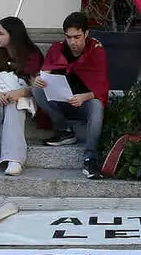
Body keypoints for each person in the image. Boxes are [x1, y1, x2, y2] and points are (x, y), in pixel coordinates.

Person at [33, 11, 109, 180]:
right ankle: (65, 130)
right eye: (68, 37)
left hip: (84, 104)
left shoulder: (96, 50)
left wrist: (83, 97)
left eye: (77, 37)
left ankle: (90, 157)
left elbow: (102, 88)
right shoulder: (58, 48)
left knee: (97, 105)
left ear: (86, 34)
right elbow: (46, 72)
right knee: (36, 90)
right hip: (62, 104)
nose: (72, 42)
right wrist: (39, 79)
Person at [0, 16, 43, 176]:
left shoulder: (32, 53)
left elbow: (35, 87)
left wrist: (18, 93)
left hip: (21, 96)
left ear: (13, 35)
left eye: (1, 33)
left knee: (14, 105)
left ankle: (14, 159)